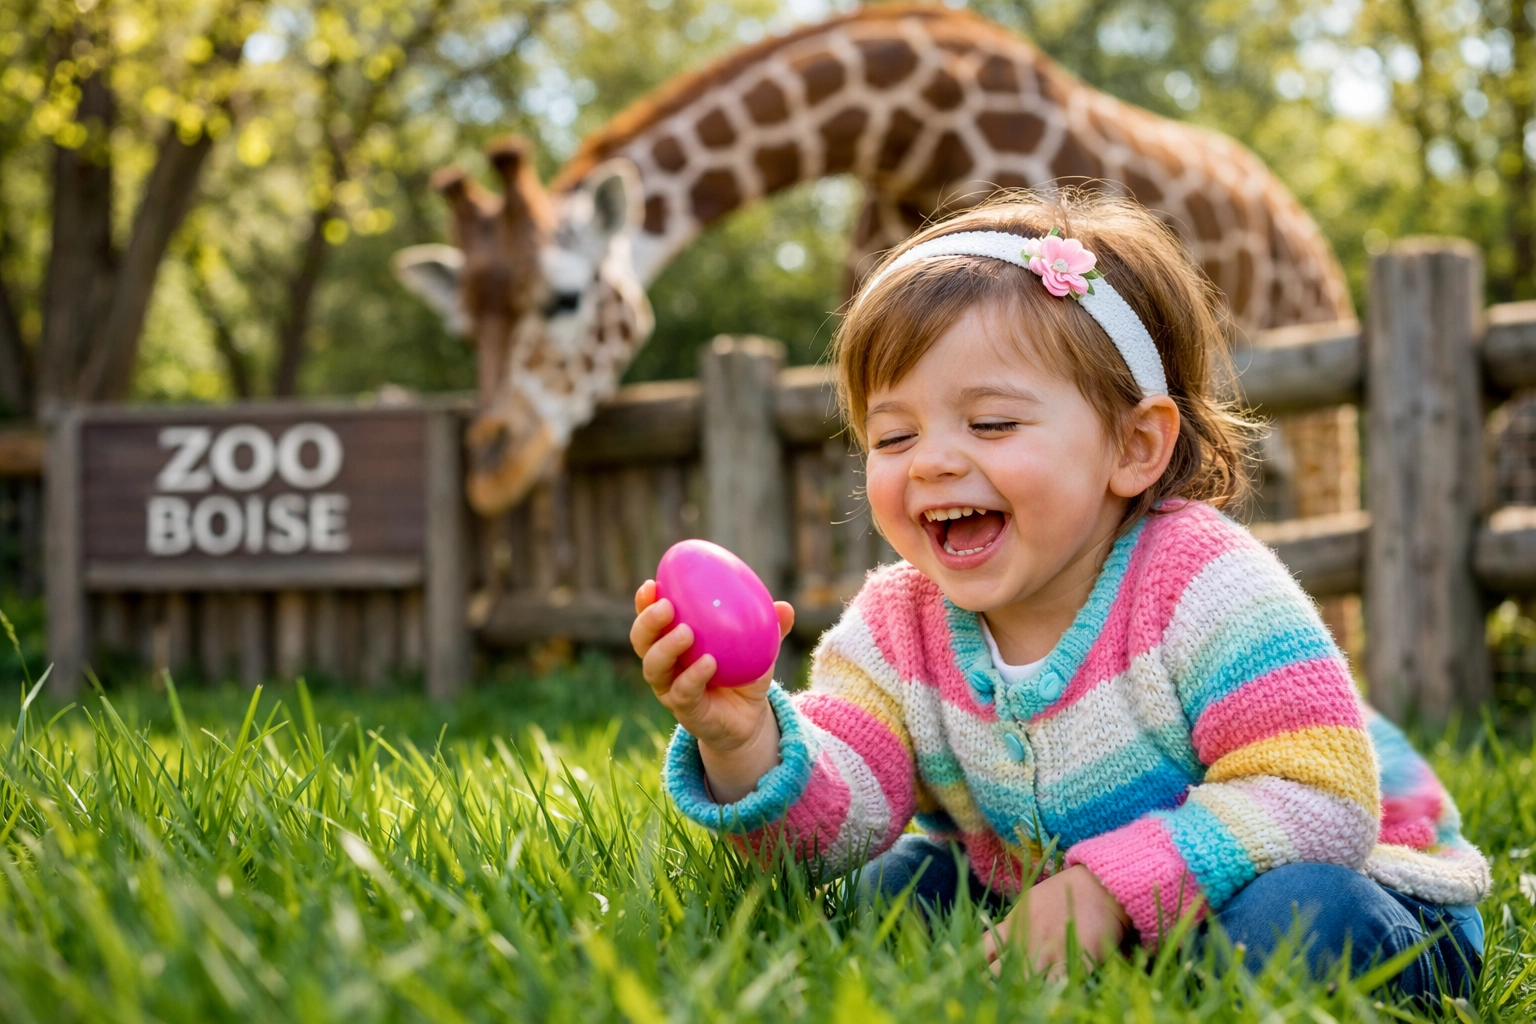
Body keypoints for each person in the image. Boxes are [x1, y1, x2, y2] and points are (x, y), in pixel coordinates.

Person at [629, 193, 1489, 999]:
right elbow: (835, 826)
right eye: (894, 434)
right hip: (1048, 885)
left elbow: (1321, 800)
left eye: (992, 423)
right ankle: (1117, 958)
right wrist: (744, 741)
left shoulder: (1203, 584)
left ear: (1133, 447)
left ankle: (1156, 953)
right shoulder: (896, 626)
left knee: (1297, 924)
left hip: (1348, 877)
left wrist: (1110, 891)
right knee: (882, 890)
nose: (929, 460)